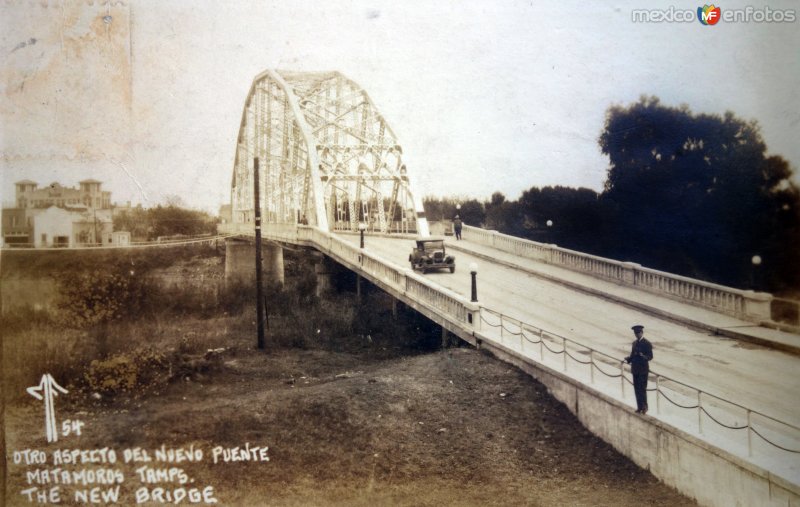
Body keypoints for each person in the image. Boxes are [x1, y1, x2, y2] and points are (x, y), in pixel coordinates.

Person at [624, 324, 653, 414]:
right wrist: (628, 359)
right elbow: (633, 355)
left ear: (641, 332)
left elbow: (650, 356)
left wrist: (643, 356)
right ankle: (639, 407)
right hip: (635, 369)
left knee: (642, 389)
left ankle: (645, 407)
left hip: (643, 370)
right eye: (635, 333)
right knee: (636, 389)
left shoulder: (647, 343)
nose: (636, 335)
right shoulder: (634, 343)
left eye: (638, 333)